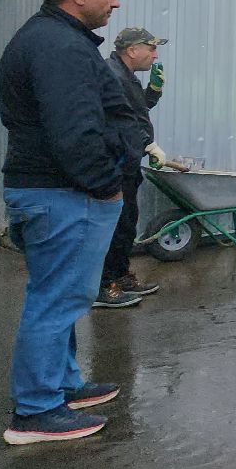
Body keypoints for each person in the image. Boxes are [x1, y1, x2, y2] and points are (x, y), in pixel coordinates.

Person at [0, 0, 132, 444]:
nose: (115, 1)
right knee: (54, 300)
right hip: (62, 194)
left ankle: (63, 385)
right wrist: (106, 185)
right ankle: (35, 410)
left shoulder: (52, 38)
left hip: (51, 191)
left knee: (60, 294)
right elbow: (74, 130)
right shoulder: (59, 46)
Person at [95, 27, 170, 309]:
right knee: (114, 226)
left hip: (127, 162)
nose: (155, 55)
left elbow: (135, 110)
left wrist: (153, 92)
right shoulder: (112, 75)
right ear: (132, 50)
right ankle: (103, 286)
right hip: (114, 164)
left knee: (126, 223)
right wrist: (147, 144)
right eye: (151, 48)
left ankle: (120, 276)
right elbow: (119, 121)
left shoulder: (125, 75)